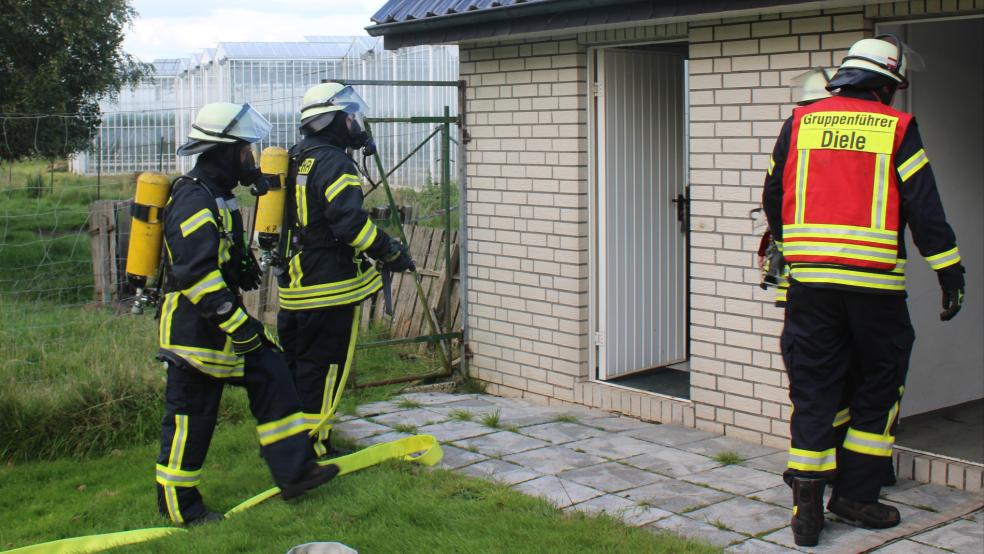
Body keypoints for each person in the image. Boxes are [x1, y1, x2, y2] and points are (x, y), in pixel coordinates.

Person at [762, 36, 965, 547]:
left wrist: (788, 248)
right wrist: (950, 271)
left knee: (814, 388)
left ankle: (806, 500)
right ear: (883, 85)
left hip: (809, 288)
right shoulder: (896, 129)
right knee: (878, 384)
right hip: (875, 291)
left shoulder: (801, 122)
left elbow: (772, 195)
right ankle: (855, 496)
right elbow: (924, 206)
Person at [156, 102, 339, 526]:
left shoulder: (218, 196)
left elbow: (217, 255)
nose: (251, 159)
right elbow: (195, 275)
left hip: (220, 329)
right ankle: (179, 507)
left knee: (272, 370)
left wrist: (239, 264)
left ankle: (296, 472)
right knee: (190, 417)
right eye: (245, 151)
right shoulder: (192, 198)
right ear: (225, 152)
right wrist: (240, 326)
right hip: (193, 333)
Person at [277, 82, 414, 457]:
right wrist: (390, 252)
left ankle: (288, 444)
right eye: (350, 114)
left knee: (297, 366)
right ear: (331, 119)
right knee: (324, 369)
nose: (357, 122)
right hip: (328, 284)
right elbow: (350, 226)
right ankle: (315, 447)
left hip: (294, 282)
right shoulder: (336, 163)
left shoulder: (295, 156)